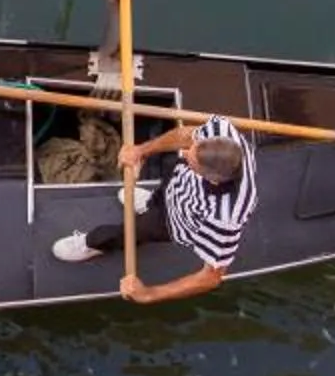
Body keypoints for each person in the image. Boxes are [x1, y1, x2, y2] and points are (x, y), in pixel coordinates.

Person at [50, 114, 254, 305]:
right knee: (167, 182)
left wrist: (150, 294)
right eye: (193, 147)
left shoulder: (224, 219)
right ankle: (151, 202)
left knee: (132, 231)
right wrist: (141, 150)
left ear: (212, 180)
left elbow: (211, 277)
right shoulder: (223, 131)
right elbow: (185, 136)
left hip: (174, 221)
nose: (184, 152)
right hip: (176, 185)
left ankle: (93, 243)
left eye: (191, 161)